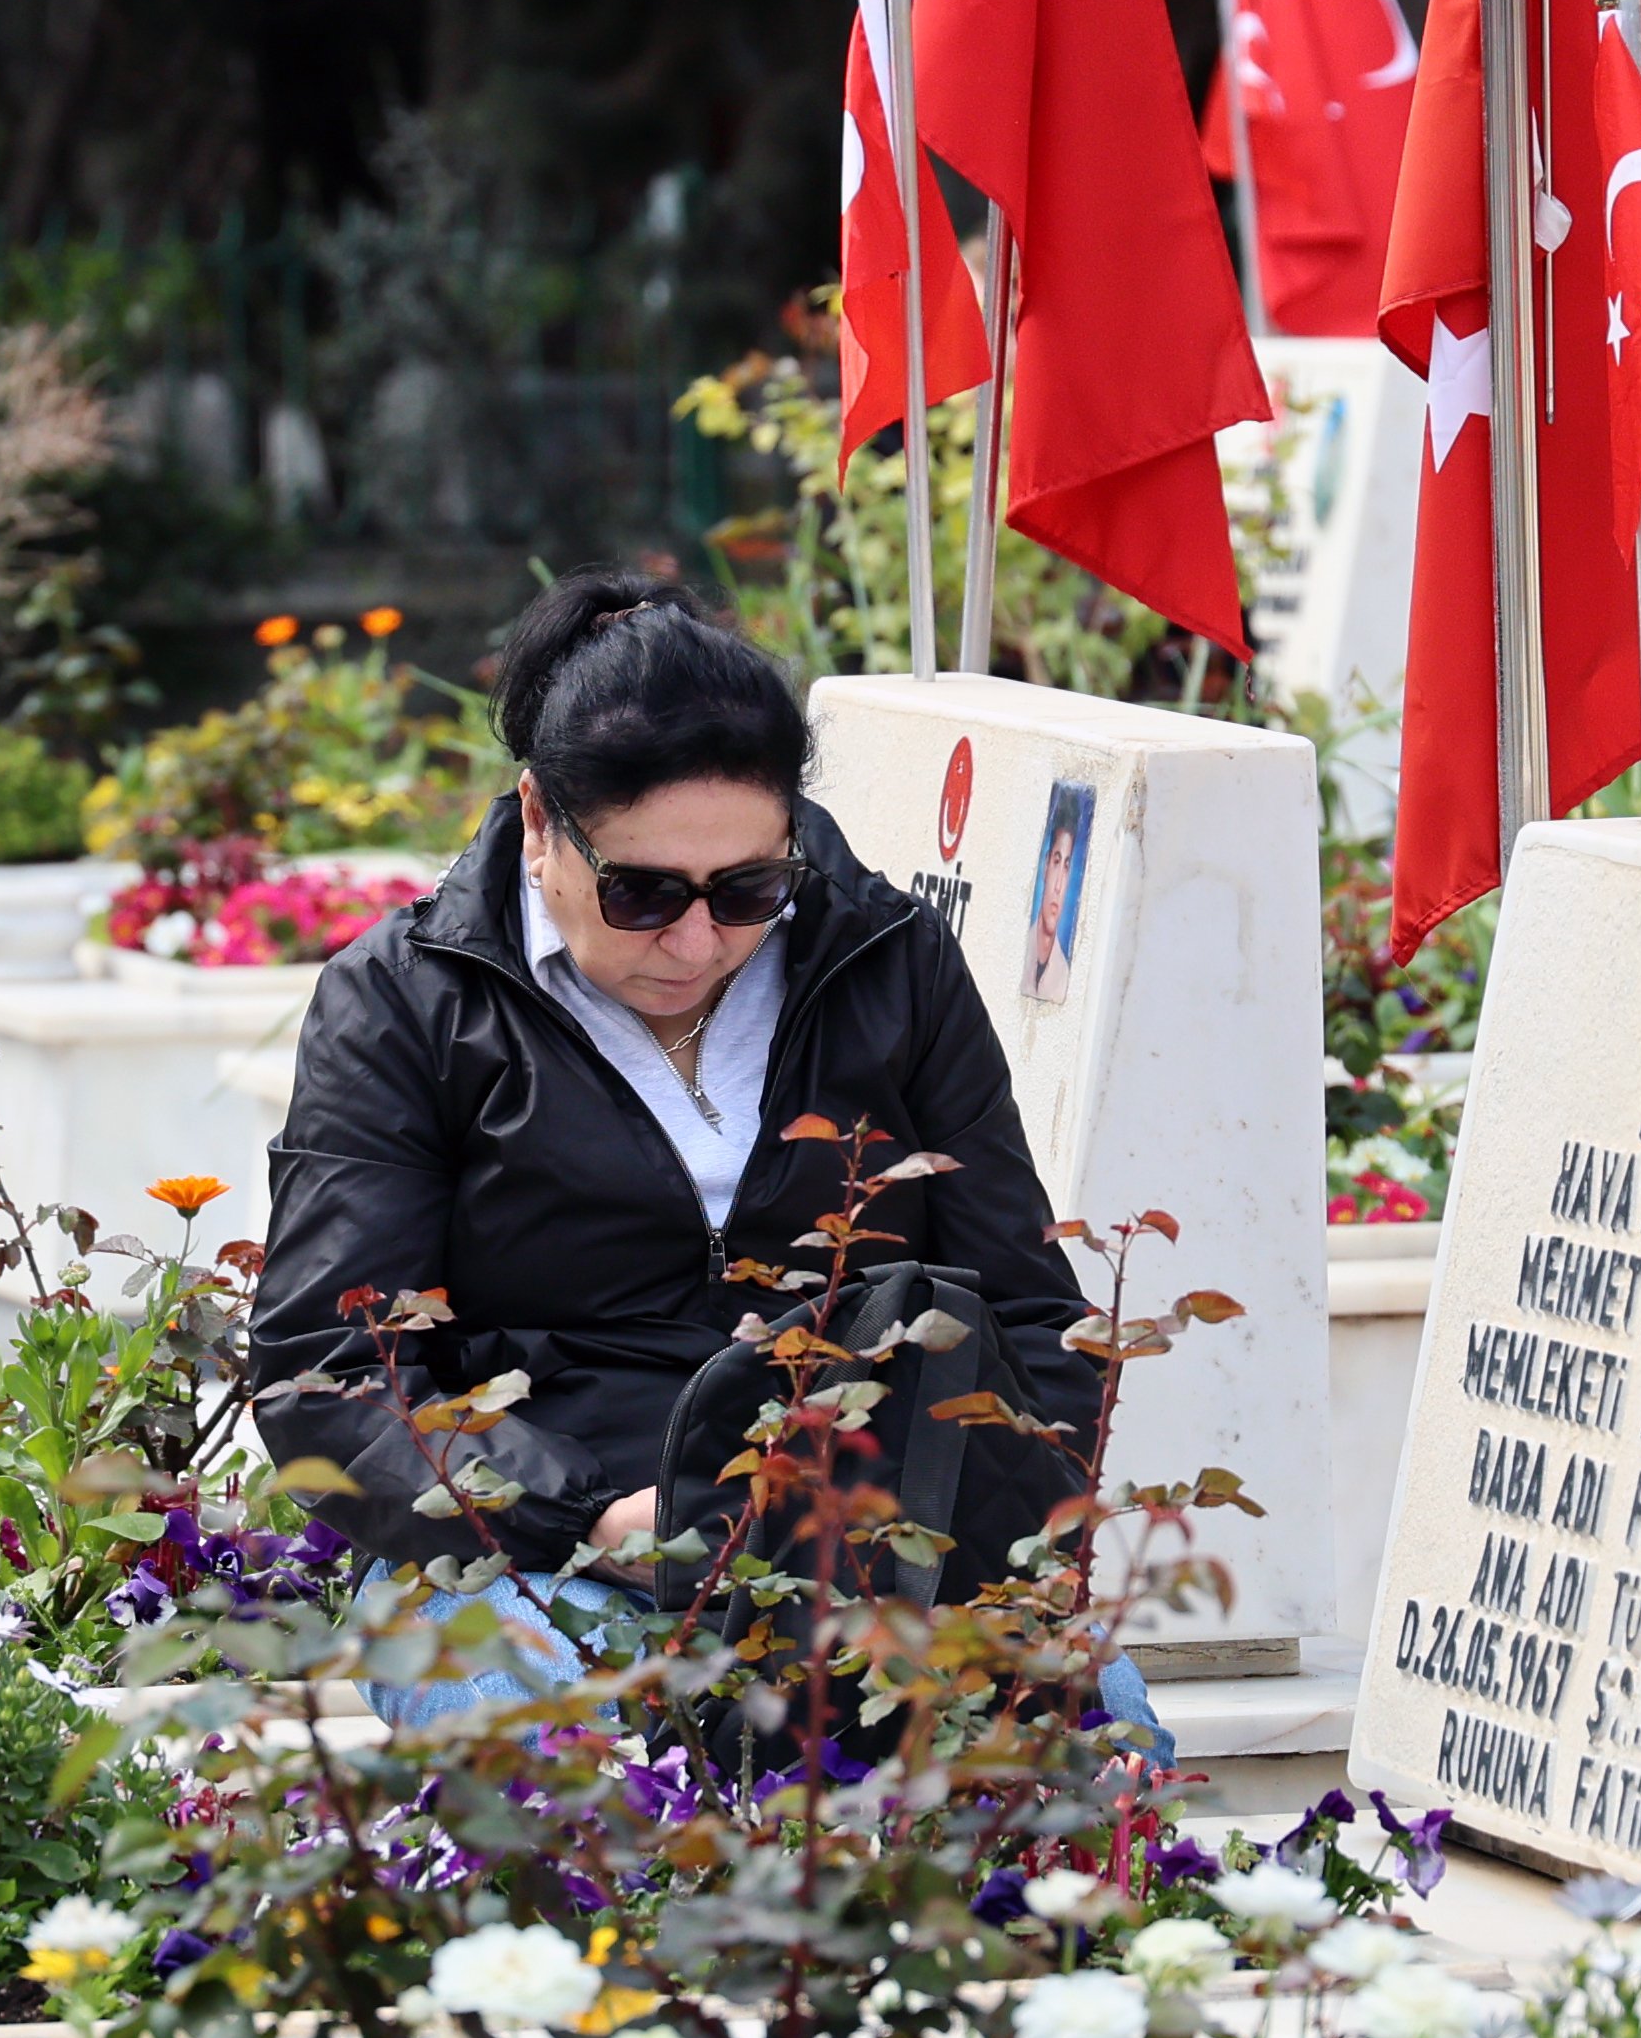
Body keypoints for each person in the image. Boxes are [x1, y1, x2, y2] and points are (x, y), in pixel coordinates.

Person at [250, 575, 1099, 1705]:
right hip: (520, 1555)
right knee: (572, 1770)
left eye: (749, 885)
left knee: (1093, 1771)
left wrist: (998, 1541)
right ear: (540, 821)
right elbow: (330, 1373)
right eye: (643, 893)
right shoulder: (407, 1002)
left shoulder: (890, 962)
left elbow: (1031, 1312)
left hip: (869, 1551)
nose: (698, 942)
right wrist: (592, 1515)